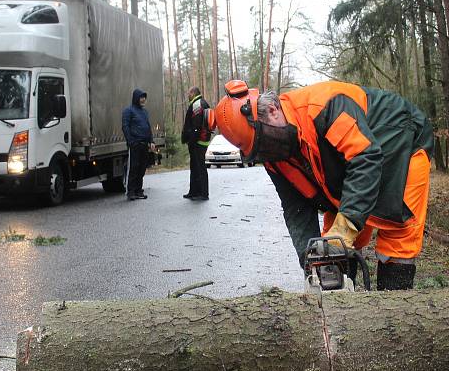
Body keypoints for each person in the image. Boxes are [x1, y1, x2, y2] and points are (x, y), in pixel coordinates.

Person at [213, 79, 434, 290]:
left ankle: (394, 312)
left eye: (263, 141)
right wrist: (310, 259)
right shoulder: (272, 154)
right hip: (349, 168)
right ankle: (343, 315)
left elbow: (364, 159)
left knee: (397, 230)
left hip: (400, 140)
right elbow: (296, 207)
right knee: (332, 246)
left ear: (272, 110)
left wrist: (346, 228)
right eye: (257, 151)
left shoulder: (325, 106)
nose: (266, 153)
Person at [122, 88, 155, 200]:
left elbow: (148, 127)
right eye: (141, 97)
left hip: (145, 144)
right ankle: (130, 192)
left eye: (144, 97)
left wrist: (151, 141)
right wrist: (130, 141)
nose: (143, 99)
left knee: (142, 168)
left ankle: (138, 191)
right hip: (135, 144)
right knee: (133, 168)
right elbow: (125, 127)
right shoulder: (128, 111)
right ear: (136, 98)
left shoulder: (145, 112)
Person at [181, 86, 211, 200]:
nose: (188, 95)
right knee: (195, 167)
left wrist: (191, 141)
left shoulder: (197, 104)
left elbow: (197, 127)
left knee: (200, 167)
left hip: (198, 142)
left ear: (193, 93)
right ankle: (194, 191)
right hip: (200, 141)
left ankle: (203, 193)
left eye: (189, 93)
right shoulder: (201, 103)